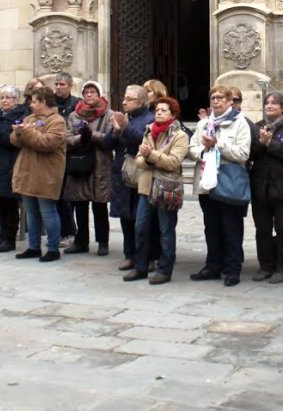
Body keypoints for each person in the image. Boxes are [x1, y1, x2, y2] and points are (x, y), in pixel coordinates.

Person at [189, 85, 251, 287]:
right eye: (213, 98)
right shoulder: (203, 124)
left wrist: (218, 145)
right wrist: (203, 149)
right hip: (206, 180)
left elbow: (243, 154)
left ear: (229, 102)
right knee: (211, 226)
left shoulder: (239, 123)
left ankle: (232, 269)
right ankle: (212, 266)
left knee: (231, 227)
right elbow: (192, 149)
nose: (216, 101)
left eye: (220, 98)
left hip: (228, 180)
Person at [123, 97, 189, 285]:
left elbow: (174, 162)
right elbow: (138, 160)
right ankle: (141, 267)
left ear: (173, 114)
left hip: (166, 189)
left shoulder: (179, 136)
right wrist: (150, 158)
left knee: (166, 230)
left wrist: (151, 155)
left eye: (163, 110)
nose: (158, 112)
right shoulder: (149, 131)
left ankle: (165, 269)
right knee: (141, 228)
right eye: (157, 109)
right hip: (146, 187)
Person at [249, 92, 283, 284]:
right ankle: (265, 265)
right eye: (267, 103)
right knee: (262, 229)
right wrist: (261, 144)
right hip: (260, 186)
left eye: (274, 103)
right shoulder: (257, 127)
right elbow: (251, 154)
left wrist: (269, 143)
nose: (269, 106)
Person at [10, 86, 67, 262]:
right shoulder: (30, 118)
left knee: (48, 212)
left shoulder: (57, 121)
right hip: (27, 172)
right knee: (31, 213)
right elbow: (13, 141)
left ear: (44, 102)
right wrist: (18, 132)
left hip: (46, 173)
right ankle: (33, 246)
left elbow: (47, 143)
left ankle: (52, 248)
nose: (31, 105)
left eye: (34, 102)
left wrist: (27, 132)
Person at [102, 85, 155, 271]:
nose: (124, 101)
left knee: (142, 220)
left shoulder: (150, 118)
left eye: (129, 99)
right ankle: (129, 254)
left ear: (141, 101)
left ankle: (148, 257)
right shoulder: (124, 118)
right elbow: (105, 144)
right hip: (122, 174)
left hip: (140, 175)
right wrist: (116, 132)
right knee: (125, 216)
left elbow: (144, 141)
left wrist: (124, 129)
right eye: (124, 98)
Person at [62, 81, 113, 256]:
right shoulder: (74, 116)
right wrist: (80, 138)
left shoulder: (109, 114)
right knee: (80, 204)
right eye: (86, 92)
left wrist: (93, 135)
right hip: (80, 164)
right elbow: (67, 139)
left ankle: (103, 242)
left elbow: (110, 139)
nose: (89, 95)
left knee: (99, 207)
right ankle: (81, 241)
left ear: (99, 94)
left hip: (100, 165)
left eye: (93, 92)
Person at [0, 86, 30, 252]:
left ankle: (10, 239)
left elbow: (10, 140)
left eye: (8, 97)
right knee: (0, 202)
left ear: (16, 100)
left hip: (10, 164)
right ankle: (2, 237)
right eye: (2, 97)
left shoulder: (20, 115)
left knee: (9, 203)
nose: (4, 100)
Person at [53, 72, 79, 244]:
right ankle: (64, 230)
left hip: (72, 154)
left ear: (70, 86)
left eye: (62, 84)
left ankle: (71, 231)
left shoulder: (77, 104)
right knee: (58, 195)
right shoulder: (50, 102)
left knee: (70, 196)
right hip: (54, 155)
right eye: (56, 84)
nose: (58, 87)